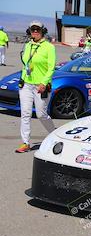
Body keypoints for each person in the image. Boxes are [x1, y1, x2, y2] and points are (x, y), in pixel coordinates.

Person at [15, 21, 56, 153]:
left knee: (41, 114)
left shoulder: (49, 47)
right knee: (25, 114)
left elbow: (51, 68)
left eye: (37, 30)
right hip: (26, 84)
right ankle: (25, 142)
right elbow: (25, 65)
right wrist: (22, 79)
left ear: (43, 31)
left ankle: (55, 134)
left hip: (40, 86)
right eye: (33, 30)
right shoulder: (28, 45)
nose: (35, 32)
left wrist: (44, 83)